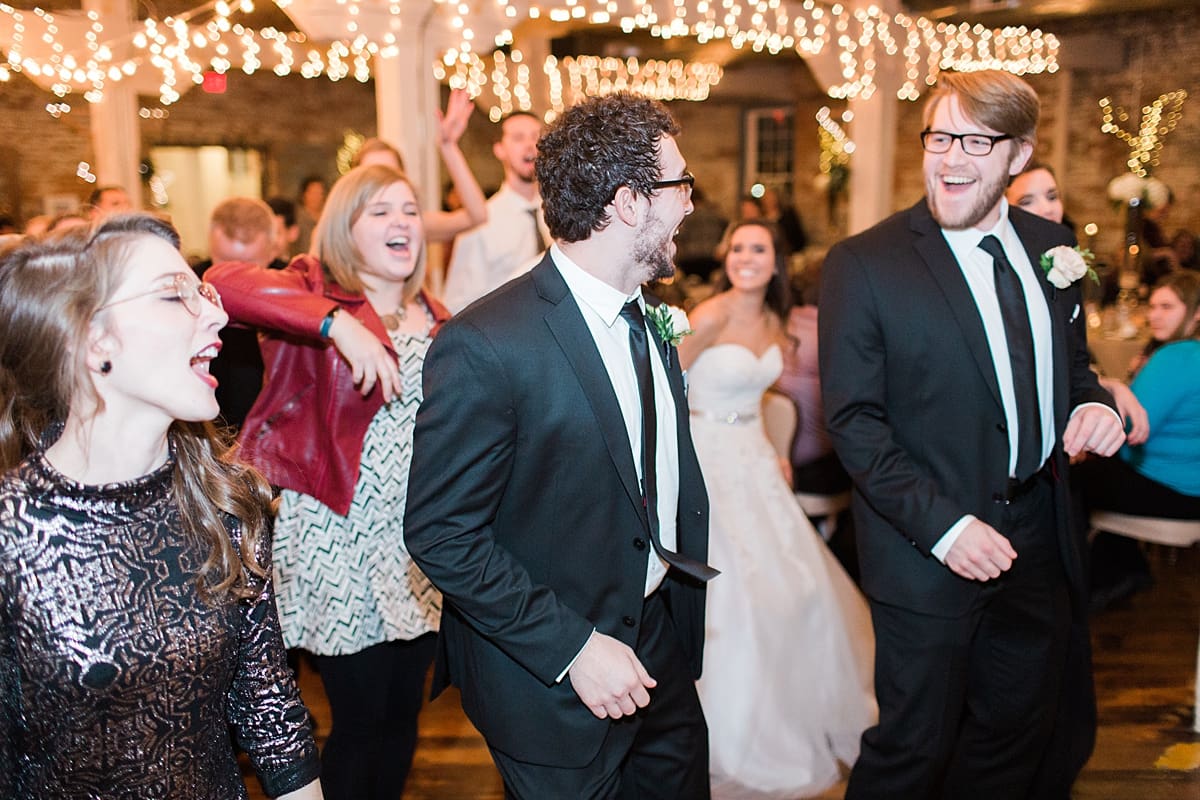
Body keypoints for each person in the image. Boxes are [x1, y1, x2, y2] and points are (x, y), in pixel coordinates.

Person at [819, 70, 1125, 800]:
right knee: (913, 748)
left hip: (1041, 535)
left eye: (977, 141)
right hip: (928, 546)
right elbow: (856, 423)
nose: (951, 158)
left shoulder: (1052, 246)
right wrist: (946, 528)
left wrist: (1097, 407)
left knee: (1016, 732)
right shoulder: (865, 264)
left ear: (1019, 154)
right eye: (940, 137)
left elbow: (1072, 370)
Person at [404, 92, 717, 799]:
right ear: (629, 203)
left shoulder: (648, 316)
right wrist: (573, 647)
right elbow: (441, 533)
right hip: (552, 674)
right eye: (681, 184)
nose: (690, 204)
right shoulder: (487, 343)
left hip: (659, 644)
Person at [0, 216, 322, 799]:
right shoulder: (13, 532)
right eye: (175, 295)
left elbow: (269, 710)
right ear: (94, 338)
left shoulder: (225, 502)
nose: (217, 316)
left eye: (204, 292)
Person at [206, 165, 449, 800]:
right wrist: (335, 323)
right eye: (380, 211)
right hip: (333, 531)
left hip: (413, 541)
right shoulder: (313, 288)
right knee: (361, 718)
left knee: (403, 714)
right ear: (345, 227)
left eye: (410, 209)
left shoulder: (437, 315)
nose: (401, 222)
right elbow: (221, 283)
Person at [680, 218, 875, 799]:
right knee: (735, 596)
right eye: (737, 247)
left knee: (797, 590)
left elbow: (756, 399)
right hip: (706, 458)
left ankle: (800, 708)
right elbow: (662, 388)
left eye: (758, 248)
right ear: (725, 257)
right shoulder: (709, 316)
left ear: (776, 261)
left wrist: (773, 450)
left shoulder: (775, 320)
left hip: (754, 457)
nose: (746, 257)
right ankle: (729, 731)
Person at [1083, 270, 1200, 609]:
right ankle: (1123, 566)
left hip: (1173, 490)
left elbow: (1129, 428)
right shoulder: (1186, 354)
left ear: (1196, 313)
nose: (1154, 315)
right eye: (1153, 306)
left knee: (1067, 481)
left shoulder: (1176, 357)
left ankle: (1095, 581)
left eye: (1167, 307)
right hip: (1188, 483)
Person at [193, 197, 285, 431]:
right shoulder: (190, 287)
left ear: (272, 252)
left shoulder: (291, 289)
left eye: (248, 267)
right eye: (224, 263)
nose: (233, 278)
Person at [441, 110, 547, 313]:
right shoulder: (481, 222)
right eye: (518, 138)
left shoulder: (563, 213)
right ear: (499, 149)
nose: (529, 145)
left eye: (536, 137)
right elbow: (458, 305)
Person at [351, 89, 487, 245]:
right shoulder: (343, 229)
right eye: (373, 175)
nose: (383, 183)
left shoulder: (411, 224)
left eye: (391, 174)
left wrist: (448, 146)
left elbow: (478, 216)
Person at [294, 175, 327, 256]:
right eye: (313, 193)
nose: (316, 197)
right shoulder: (296, 217)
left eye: (320, 193)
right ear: (304, 194)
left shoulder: (328, 217)